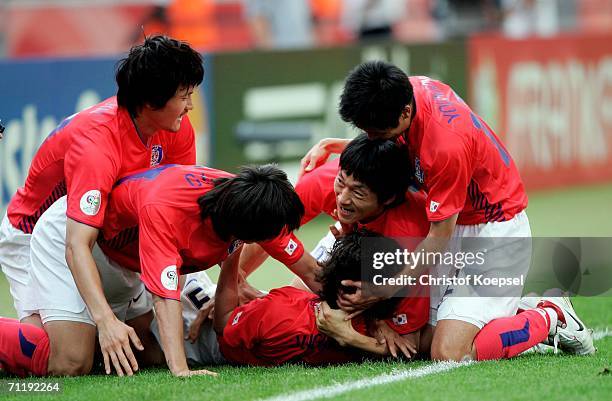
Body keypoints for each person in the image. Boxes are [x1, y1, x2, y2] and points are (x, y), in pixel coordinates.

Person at [297, 60, 595, 360]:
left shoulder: (444, 147)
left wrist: (386, 289)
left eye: (377, 133)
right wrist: (340, 145)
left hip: (494, 232)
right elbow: (399, 147)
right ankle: (511, 307)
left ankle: (551, 315)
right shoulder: (406, 91)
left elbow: (438, 236)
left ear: (404, 113)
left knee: (448, 352)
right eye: (365, 131)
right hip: (451, 220)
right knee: (421, 341)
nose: (372, 140)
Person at [0, 34, 205, 376]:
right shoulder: (97, 144)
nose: (191, 106)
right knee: (68, 361)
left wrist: (183, 292)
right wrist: (105, 319)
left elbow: (177, 217)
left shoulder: (176, 129)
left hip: (104, 236)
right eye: (184, 96)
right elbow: (76, 244)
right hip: (37, 235)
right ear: (151, 101)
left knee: (145, 351)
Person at [0, 163, 309, 377]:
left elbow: (308, 271)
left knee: (142, 356)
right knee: (70, 362)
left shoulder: (246, 202)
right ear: (246, 227)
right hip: (77, 240)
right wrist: (181, 370)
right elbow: (164, 296)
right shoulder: (168, 211)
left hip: (126, 258)